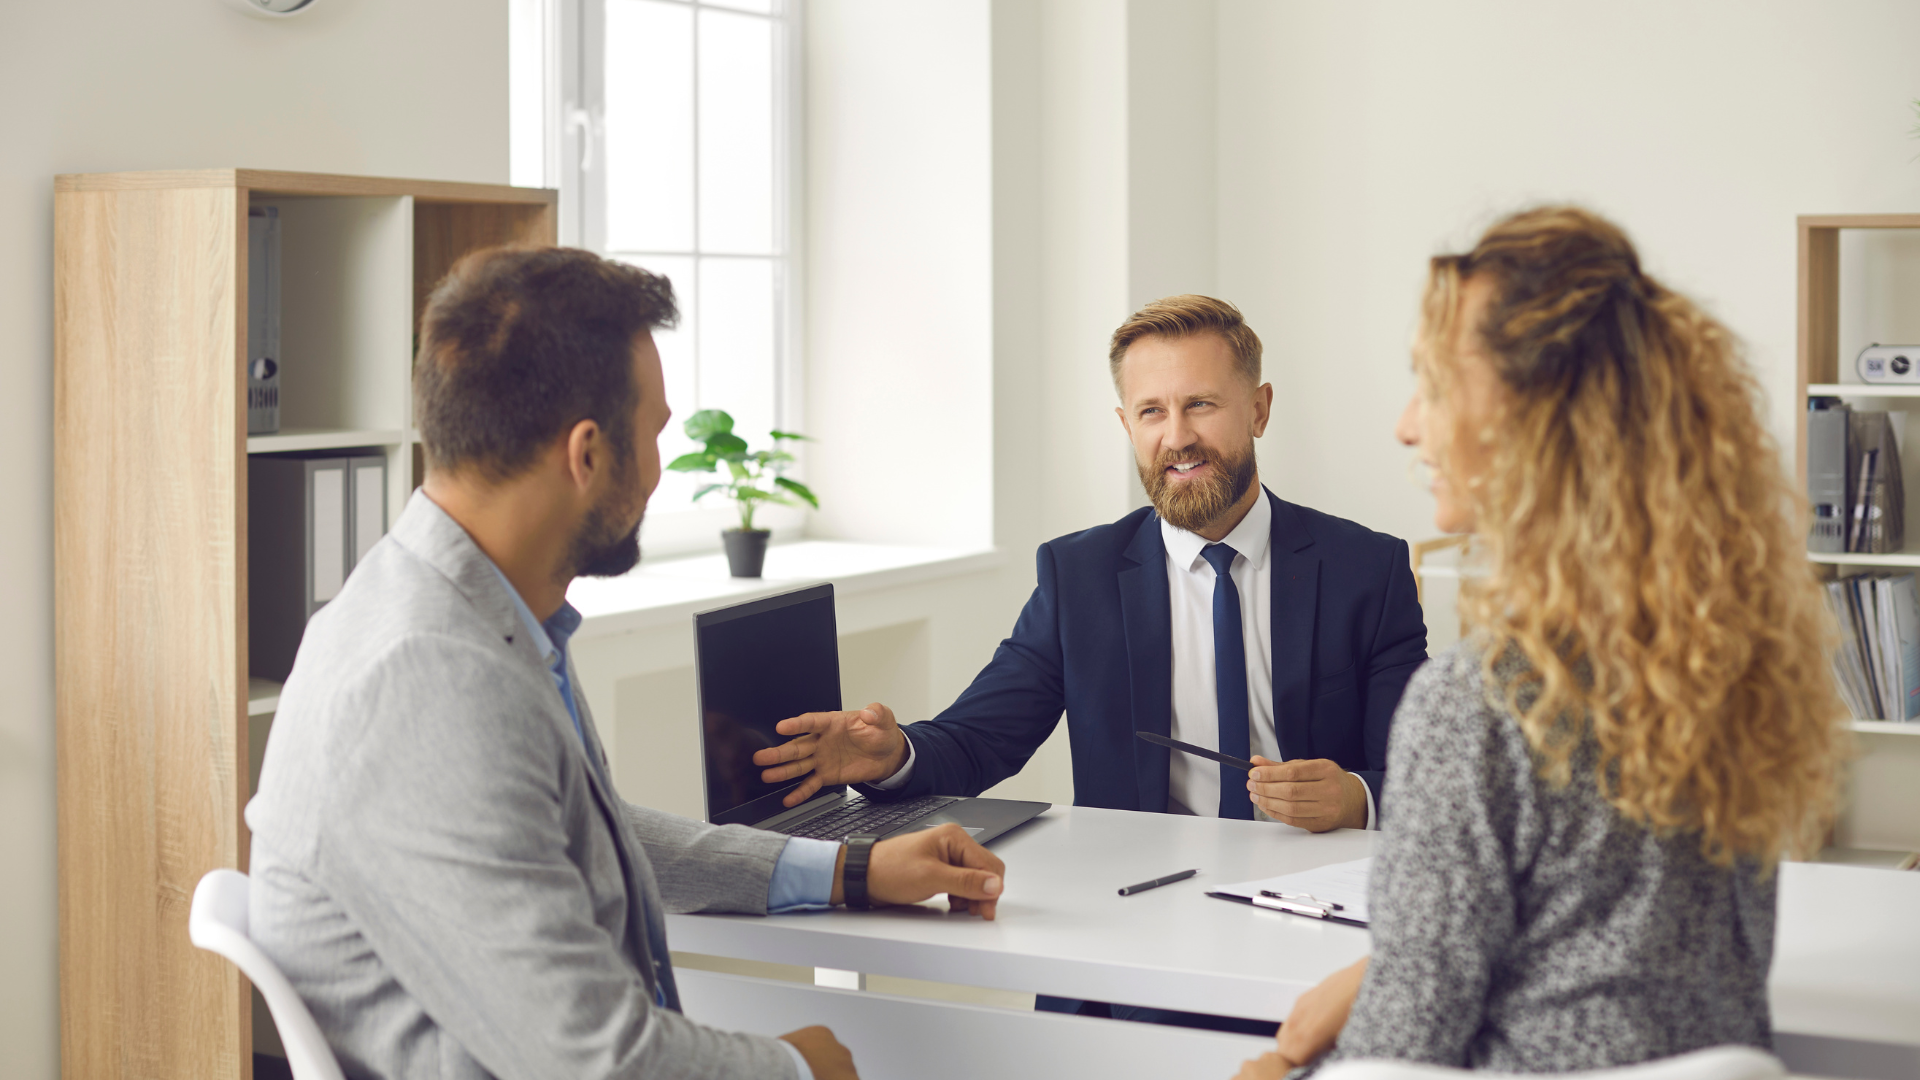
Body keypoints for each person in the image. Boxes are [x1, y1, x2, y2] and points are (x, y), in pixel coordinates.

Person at [246, 247, 1008, 1080]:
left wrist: (851, 869)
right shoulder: (427, 675)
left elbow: (587, 824)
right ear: (586, 454)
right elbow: (593, 1061)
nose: (655, 472)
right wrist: (797, 1071)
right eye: (653, 436)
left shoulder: (469, 612)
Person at [1235, 206, 1849, 1077]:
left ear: (1538, 419)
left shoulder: (1479, 702)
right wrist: (1393, 963)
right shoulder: (1728, 657)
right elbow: (1607, 942)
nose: (1409, 425)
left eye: (1436, 386)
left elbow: (1399, 1056)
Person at [756, 294, 1428, 1032]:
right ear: (1126, 425)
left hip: (1314, 931)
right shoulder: (1078, 575)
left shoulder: (1370, 569)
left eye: (1201, 405)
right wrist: (895, 753)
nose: (1177, 437)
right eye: (1151, 412)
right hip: (1132, 929)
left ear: (1259, 409)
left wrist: (1356, 797)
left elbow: (1426, 785)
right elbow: (982, 738)